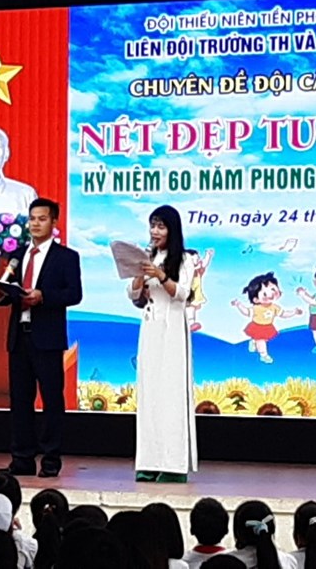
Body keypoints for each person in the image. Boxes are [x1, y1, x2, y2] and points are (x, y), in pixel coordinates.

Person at [0, 198, 83, 479]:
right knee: (20, 400)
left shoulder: (66, 257)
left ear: (54, 222)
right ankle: (22, 458)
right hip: (19, 336)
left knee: (52, 400)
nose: (35, 224)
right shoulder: (18, 255)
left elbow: (74, 294)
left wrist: (43, 297)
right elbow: (12, 291)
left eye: (42, 219)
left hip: (47, 338)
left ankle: (51, 459)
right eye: (32, 218)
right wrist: (1, 294)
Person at [127, 205, 198, 483]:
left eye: (161, 226)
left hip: (172, 332)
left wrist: (160, 275)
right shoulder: (149, 256)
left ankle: (173, 465)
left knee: (171, 395)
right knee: (149, 395)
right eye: (152, 225)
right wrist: (138, 272)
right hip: (150, 329)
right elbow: (134, 295)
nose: (155, 231)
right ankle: (149, 461)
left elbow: (182, 293)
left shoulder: (185, 259)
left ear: (172, 230)